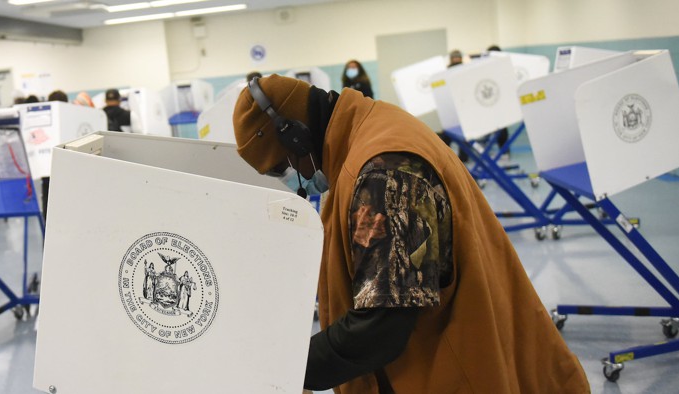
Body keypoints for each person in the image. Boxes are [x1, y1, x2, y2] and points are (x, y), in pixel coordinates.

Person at [232, 75, 589, 393]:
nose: (288, 180)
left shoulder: (384, 175)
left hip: (459, 371)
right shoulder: (372, 128)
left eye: (281, 167)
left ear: (295, 135)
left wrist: (288, 367)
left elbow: (381, 328)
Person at [438, 50, 469, 162]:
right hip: (450, 108)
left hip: (464, 107)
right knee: (446, 136)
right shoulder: (445, 73)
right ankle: (445, 158)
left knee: (465, 136)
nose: (456, 59)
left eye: (457, 57)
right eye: (454, 57)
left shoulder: (465, 70)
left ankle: (463, 159)